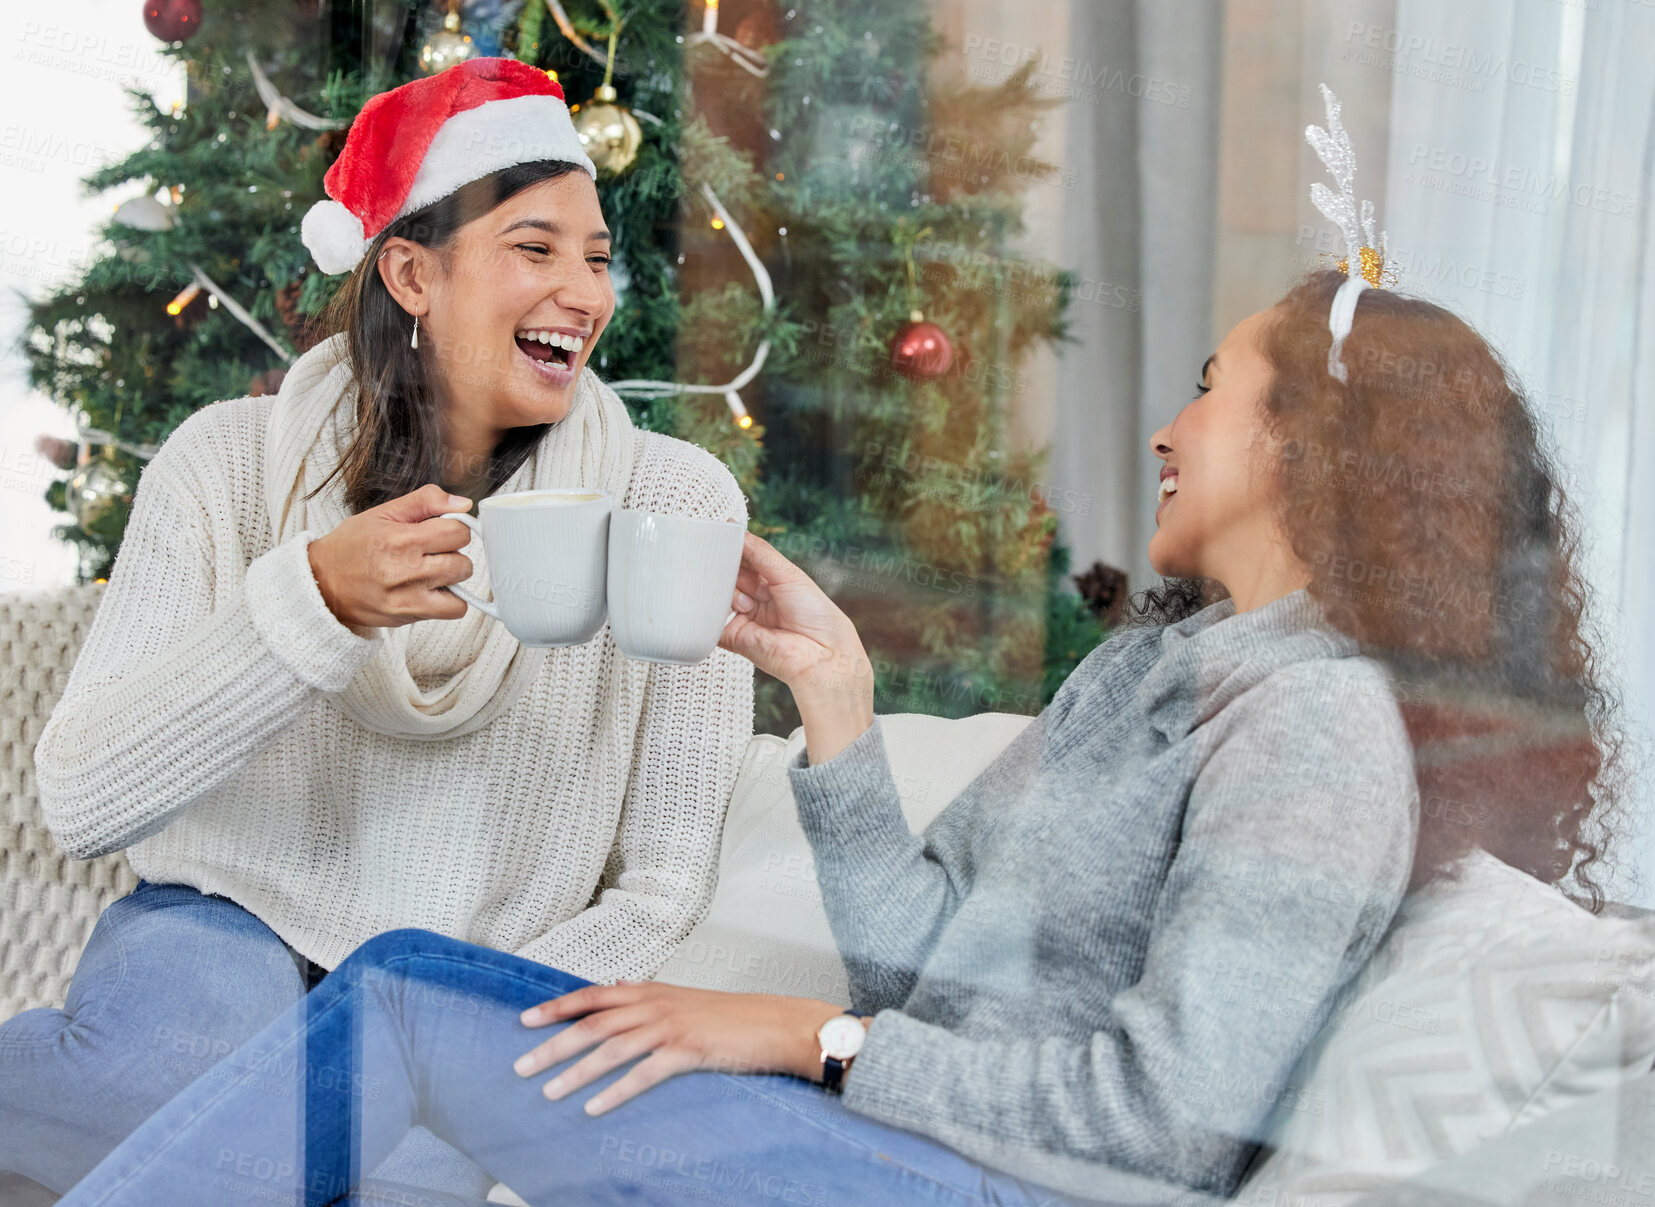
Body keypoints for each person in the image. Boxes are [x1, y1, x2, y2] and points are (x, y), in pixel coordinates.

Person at [50, 264, 1631, 1207]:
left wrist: (805, 1037)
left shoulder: (1317, 723)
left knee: (403, 997)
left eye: (1213, 389)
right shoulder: (1150, 673)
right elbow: (928, 973)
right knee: (412, 1000)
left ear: (1311, 447)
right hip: (926, 1150)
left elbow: (1173, 1118)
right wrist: (836, 705)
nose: (1166, 425)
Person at [2, 60, 754, 1204]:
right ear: (409, 270)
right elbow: (84, 801)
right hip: (225, 924)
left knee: (399, 1163)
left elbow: (659, 887)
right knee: (175, 1075)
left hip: (474, 970)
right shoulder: (223, 464)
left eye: (596, 258)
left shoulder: (674, 506)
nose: (585, 293)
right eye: (535, 249)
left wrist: (450, 1023)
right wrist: (306, 607)